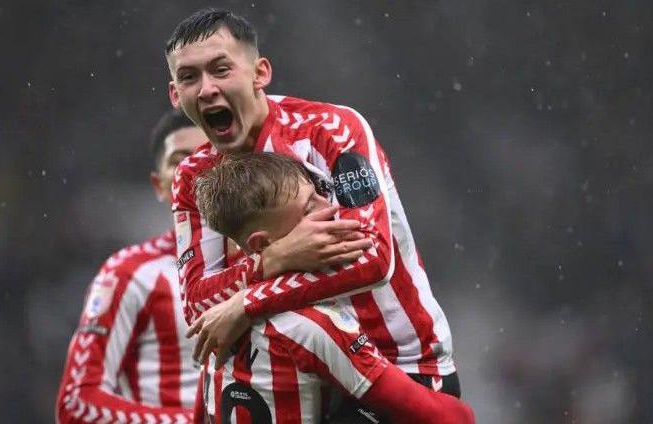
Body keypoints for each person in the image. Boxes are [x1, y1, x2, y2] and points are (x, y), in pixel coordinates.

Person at [167, 8, 460, 396]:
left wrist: (248, 301)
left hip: (403, 366)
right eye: (189, 77)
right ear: (175, 95)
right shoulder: (192, 177)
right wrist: (274, 258)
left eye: (221, 70)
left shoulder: (332, 129)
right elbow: (198, 308)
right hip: (299, 381)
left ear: (260, 74)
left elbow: (373, 258)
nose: (206, 89)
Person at [190, 152, 474, 423]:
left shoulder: (215, 322)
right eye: (309, 208)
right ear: (261, 244)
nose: (331, 208)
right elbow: (454, 418)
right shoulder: (315, 326)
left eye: (318, 193)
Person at [55, 110, 207, 423]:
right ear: (159, 185)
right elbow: (74, 404)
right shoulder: (128, 274)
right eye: (180, 160)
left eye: (207, 155)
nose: (194, 169)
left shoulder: (271, 264)